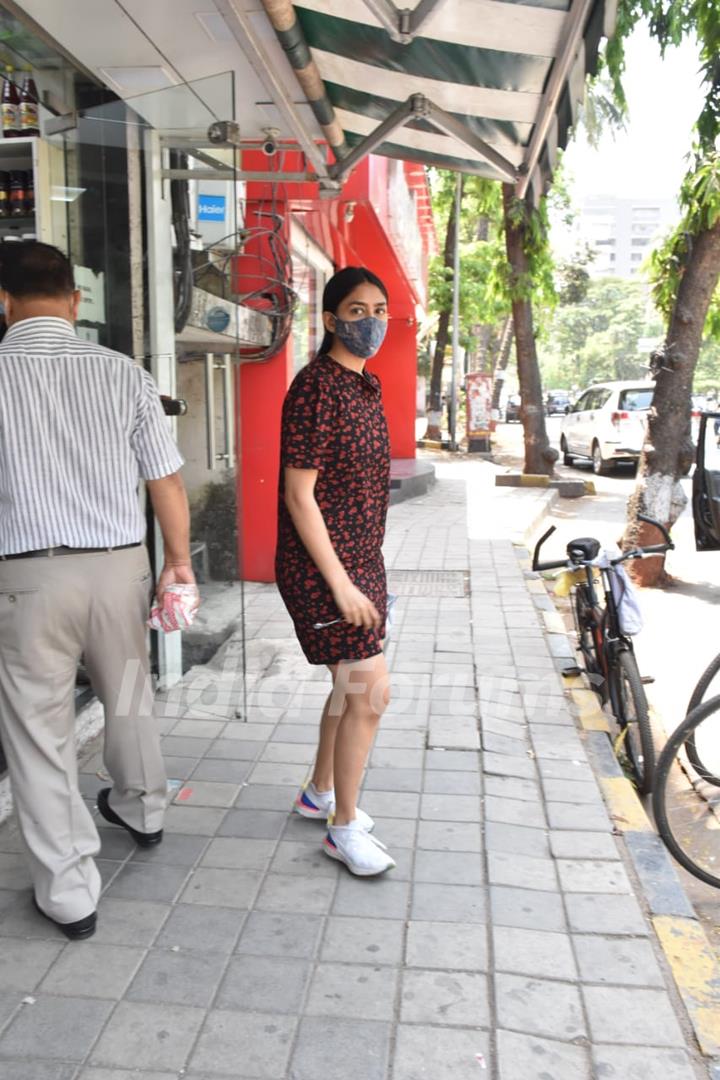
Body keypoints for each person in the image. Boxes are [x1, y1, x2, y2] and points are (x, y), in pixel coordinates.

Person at [0, 241, 195, 939]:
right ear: (75, 300)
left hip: (26, 575)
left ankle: (70, 892)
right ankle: (144, 810)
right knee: (131, 692)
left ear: (3, 301)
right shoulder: (122, 373)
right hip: (119, 565)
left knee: (39, 731)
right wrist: (179, 562)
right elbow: (165, 480)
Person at [276, 266, 395, 877]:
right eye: (355, 310)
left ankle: (320, 791)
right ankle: (341, 827)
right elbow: (300, 497)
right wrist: (341, 584)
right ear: (328, 319)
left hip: (360, 563)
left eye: (379, 308)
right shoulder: (316, 387)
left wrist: (365, 572)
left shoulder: (364, 386)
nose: (370, 320)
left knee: (349, 687)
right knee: (371, 691)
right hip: (322, 570)